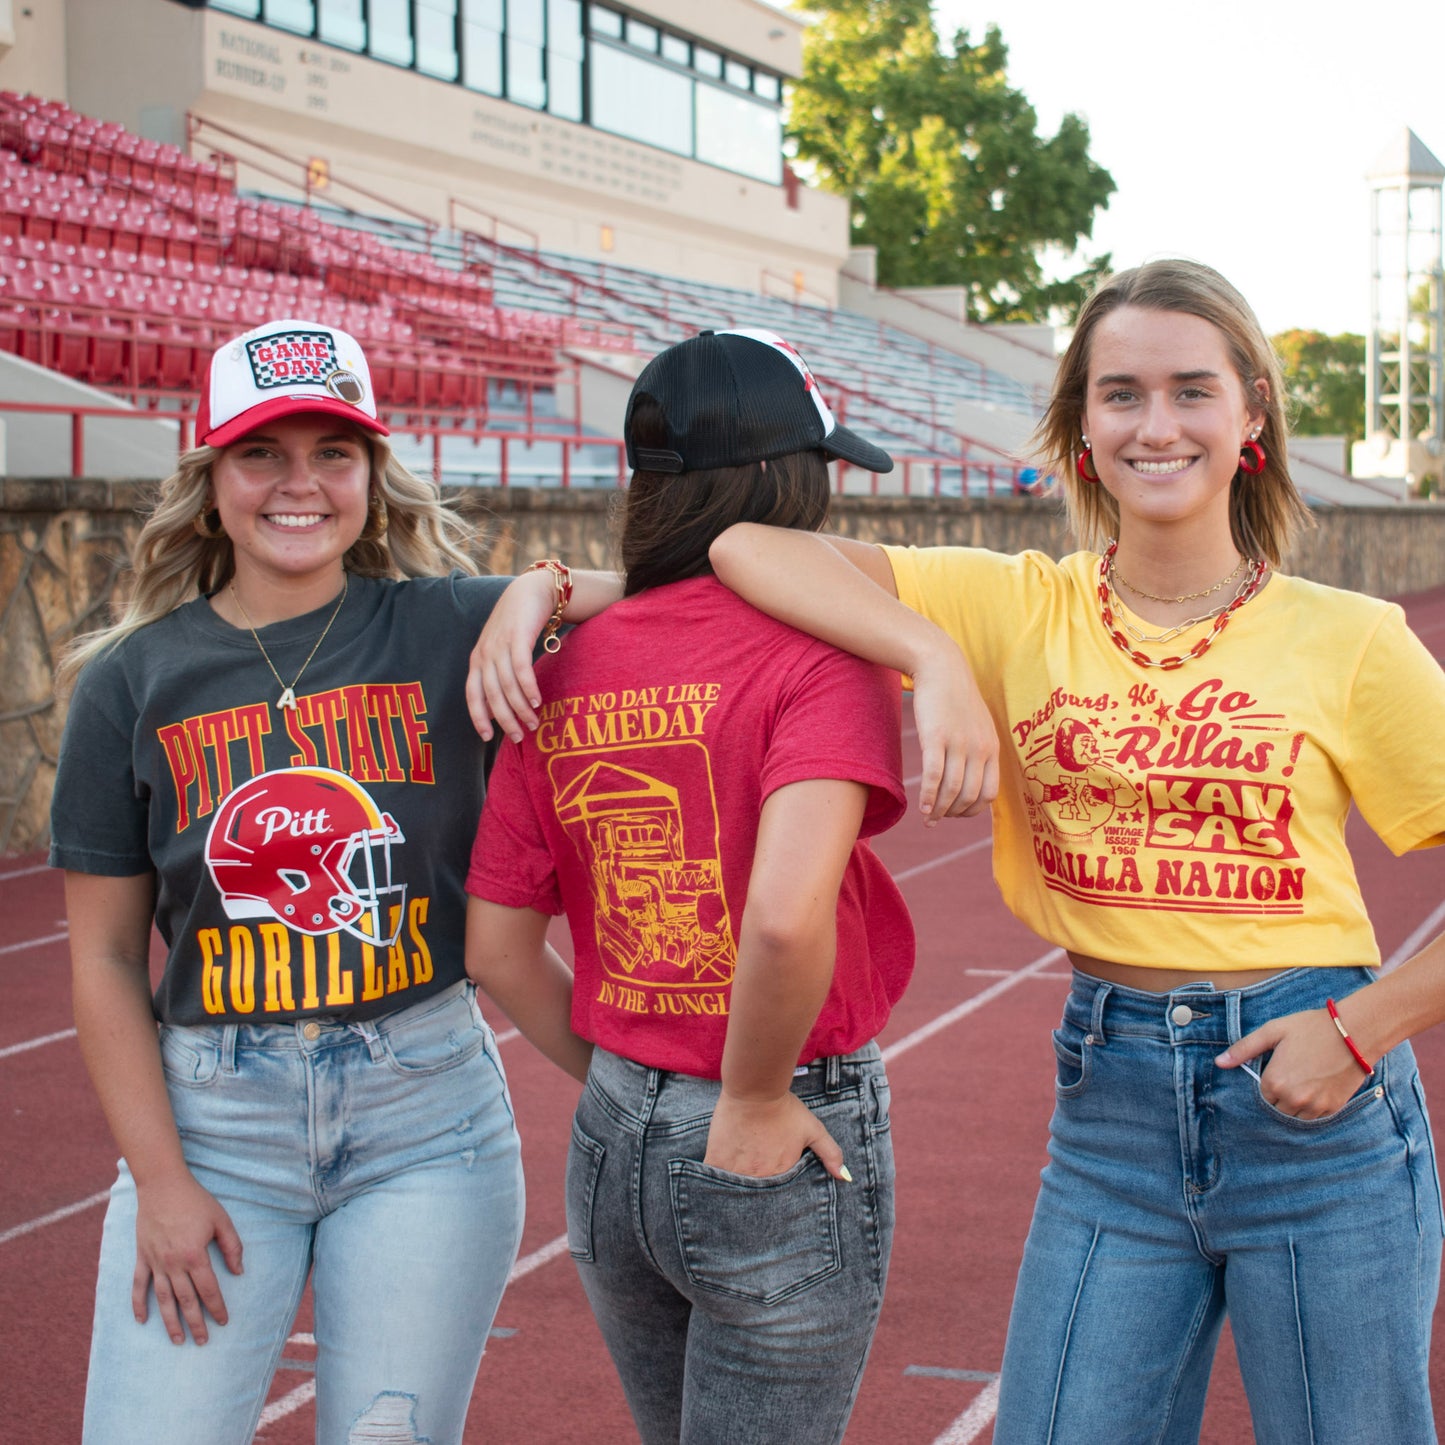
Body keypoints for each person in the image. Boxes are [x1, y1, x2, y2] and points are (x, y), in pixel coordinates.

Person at [477, 263, 1445, 1442]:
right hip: (1113, 1101)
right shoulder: (1007, 606)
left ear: (1249, 416)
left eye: (1190, 391)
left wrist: (1361, 1028)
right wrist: (929, 660)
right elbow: (744, 553)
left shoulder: (1347, 638)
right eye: (1119, 394)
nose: (1154, 424)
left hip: (1311, 1096)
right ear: (1079, 431)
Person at [50, 317, 535, 1445]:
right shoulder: (132, 681)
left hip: (427, 1116)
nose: (299, 483)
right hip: (213, 1124)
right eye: (262, 452)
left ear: (374, 473)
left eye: (334, 450)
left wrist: (537, 590)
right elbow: (107, 959)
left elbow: (659, 591)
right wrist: (160, 1183)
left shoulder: (446, 623)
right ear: (210, 476)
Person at [463, 327, 916, 1444]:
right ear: (780, 482)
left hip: (614, 1129)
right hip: (777, 1105)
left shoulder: (563, 660)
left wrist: (628, 1084)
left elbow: (496, 951)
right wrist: (752, 1094)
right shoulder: (821, 656)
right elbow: (781, 913)